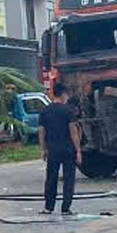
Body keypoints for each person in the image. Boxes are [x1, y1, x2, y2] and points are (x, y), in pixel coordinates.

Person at [38, 82, 83, 215]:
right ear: (64, 94)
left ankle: (48, 207)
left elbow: (41, 132)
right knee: (68, 179)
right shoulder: (68, 110)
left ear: (53, 94)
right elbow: (73, 132)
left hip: (53, 150)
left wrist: (43, 149)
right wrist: (78, 150)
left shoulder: (45, 111)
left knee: (51, 178)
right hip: (68, 149)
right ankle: (65, 208)